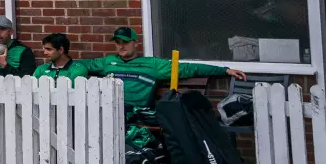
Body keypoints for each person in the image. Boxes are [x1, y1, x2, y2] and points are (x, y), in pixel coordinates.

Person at [81, 27, 244, 119]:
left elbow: (188, 68)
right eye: (118, 43)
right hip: (107, 107)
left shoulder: (152, 65)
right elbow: (81, 65)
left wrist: (224, 70)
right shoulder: (107, 62)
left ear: (134, 43)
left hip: (134, 111)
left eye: (125, 42)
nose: (121, 46)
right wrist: (56, 64)